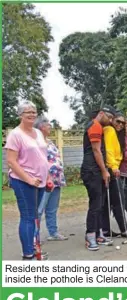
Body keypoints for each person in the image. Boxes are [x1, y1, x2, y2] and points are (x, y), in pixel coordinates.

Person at [5, 101, 53, 260]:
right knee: (28, 216)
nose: (32, 114)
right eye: (28, 112)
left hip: (40, 181)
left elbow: (43, 156)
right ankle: (28, 255)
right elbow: (11, 161)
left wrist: (48, 176)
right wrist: (29, 179)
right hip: (23, 181)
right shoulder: (15, 135)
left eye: (34, 112)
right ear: (20, 115)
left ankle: (35, 249)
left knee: (34, 216)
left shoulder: (38, 133)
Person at [80, 105, 116, 251]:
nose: (111, 120)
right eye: (110, 117)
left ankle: (98, 233)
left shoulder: (98, 126)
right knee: (95, 204)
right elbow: (96, 150)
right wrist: (104, 171)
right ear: (101, 114)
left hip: (95, 169)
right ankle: (90, 236)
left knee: (100, 203)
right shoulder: (95, 126)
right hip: (92, 170)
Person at [103, 113, 127, 238]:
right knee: (118, 200)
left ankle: (108, 230)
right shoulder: (109, 130)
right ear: (112, 120)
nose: (120, 124)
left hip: (114, 167)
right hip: (112, 168)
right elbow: (109, 150)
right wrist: (113, 167)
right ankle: (123, 229)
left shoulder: (119, 134)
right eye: (118, 121)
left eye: (122, 123)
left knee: (114, 201)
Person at [33, 116, 68, 241]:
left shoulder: (50, 142)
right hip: (44, 181)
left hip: (56, 181)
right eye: (48, 125)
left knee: (52, 208)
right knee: (39, 209)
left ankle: (53, 232)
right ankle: (34, 237)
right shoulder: (35, 142)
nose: (50, 127)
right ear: (41, 127)